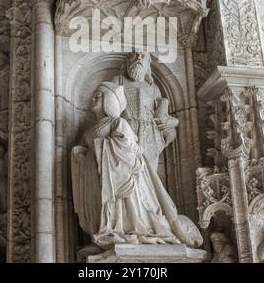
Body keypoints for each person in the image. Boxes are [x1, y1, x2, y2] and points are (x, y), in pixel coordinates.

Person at [71, 82, 202, 250]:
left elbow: (129, 146)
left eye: (99, 95)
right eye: (95, 95)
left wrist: (100, 148)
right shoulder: (89, 130)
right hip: (98, 176)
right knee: (104, 209)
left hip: (120, 176)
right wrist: (80, 154)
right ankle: (107, 231)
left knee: (124, 209)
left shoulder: (118, 122)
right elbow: (82, 149)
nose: (94, 98)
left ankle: (123, 231)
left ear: (109, 101)